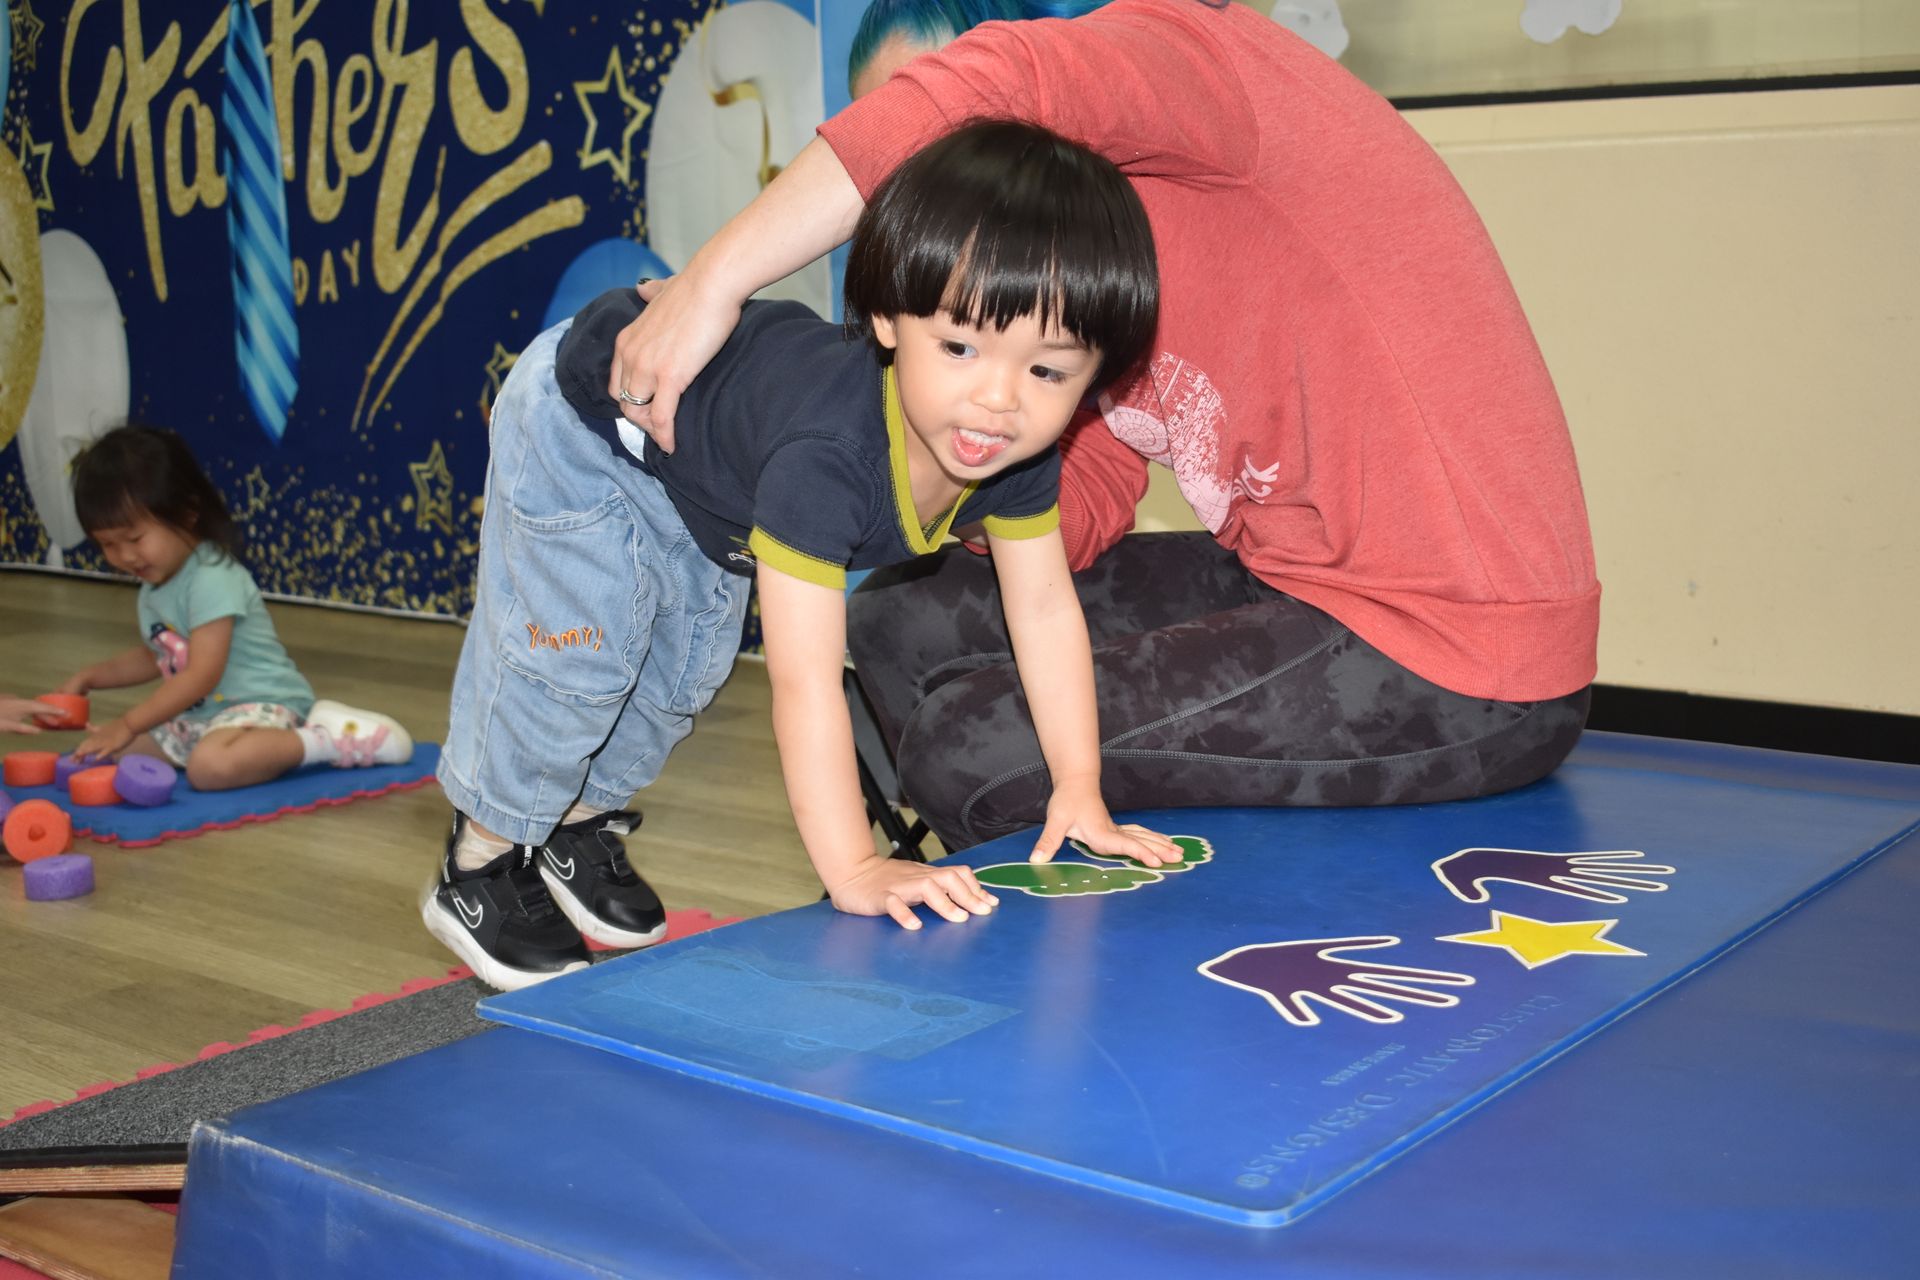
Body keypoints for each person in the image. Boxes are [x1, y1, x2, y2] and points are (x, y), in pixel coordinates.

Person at [607, 0, 1599, 854]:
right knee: (900, 616)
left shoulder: (1209, 81)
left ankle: (1051, 945)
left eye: (923, 148)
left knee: (977, 745)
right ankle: (1021, 893)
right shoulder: (1080, 272)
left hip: (1461, 648)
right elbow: (1079, 496)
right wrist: (882, 473)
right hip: (1296, 585)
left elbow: (995, 80)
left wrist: (714, 280)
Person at [428, 120, 1179, 992]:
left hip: (708, 482)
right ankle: (478, 864)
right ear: (890, 319)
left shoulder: (1013, 455)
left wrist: (1079, 788)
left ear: (1094, 375)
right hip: (593, 415)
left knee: (679, 681)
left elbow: (1045, 611)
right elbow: (807, 683)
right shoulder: (831, 458)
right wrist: (854, 867)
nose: (998, 401)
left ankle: (575, 826)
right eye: (962, 347)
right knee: (579, 661)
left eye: (1049, 372)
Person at [58, 425, 415, 789]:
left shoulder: (211, 577)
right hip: (204, 718)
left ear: (186, 512)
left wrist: (129, 722)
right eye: (108, 544)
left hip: (261, 705)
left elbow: (201, 674)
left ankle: (324, 739)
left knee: (209, 768)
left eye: (135, 538)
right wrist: (90, 677)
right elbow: (158, 655)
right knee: (116, 753)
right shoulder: (153, 587)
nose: (125, 556)